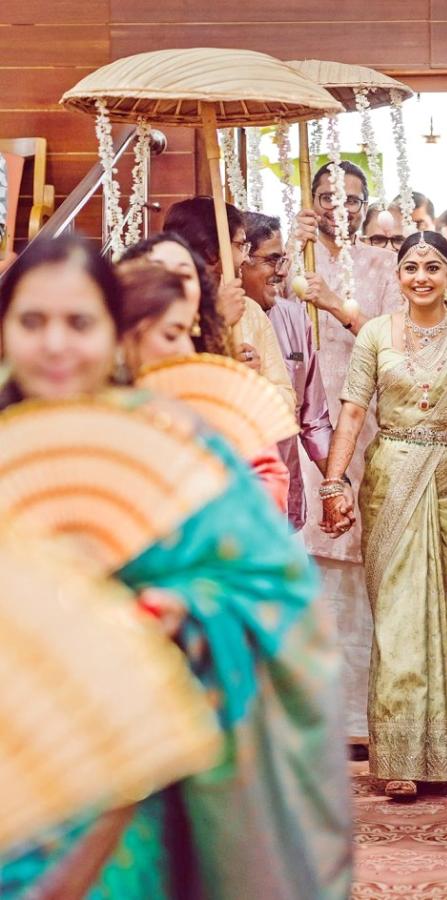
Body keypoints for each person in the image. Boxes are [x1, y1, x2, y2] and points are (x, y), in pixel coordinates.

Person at [0, 234, 352, 899]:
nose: (55, 345)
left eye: (78, 323)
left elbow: (275, 589)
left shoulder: (172, 441)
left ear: (113, 334)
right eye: (32, 321)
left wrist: (188, 611)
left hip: (126, 761)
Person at [320, 230, 447, 800]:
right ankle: (395, 757)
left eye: (434, 267)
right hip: (391, 476)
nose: (421, 277)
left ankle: (440, 754)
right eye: (411, 267)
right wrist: (333, 480)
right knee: (396, 615)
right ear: (398, 275)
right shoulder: (374, 334)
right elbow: (351, 412)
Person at [294, 160, 402, 747]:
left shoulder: (384, 264)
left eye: (353, 198)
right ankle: (316, 716)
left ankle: (364, 720)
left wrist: (336, 302)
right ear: (311, 200)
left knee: (362, 564)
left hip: (367, 427)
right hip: (308, 427)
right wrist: (294, 251)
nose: (343, 206)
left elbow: (393, 341)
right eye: (330, 196)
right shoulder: (296, 255)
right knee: (316, 558)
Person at [120, 233, 290, 513]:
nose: (171, 285)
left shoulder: (221, 379)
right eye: (158, 271)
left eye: (184, 275)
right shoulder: (104, 387)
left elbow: (267, 476)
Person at [240, 210, 340, 532]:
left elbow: (314, 418)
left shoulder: (295, 318)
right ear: (240, 260)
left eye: (283, 261)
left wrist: (337, 482)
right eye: (271, 261)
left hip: (283, 495)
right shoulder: (216, 324)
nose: (281, 273)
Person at [164, 196, 295, 412]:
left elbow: (287, 400)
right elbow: (165, 390)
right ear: (211, 250)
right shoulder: (164, 310)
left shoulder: (248, 310)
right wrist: (217, 322)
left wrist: (255, 380)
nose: (245, 258)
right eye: (241, 245)